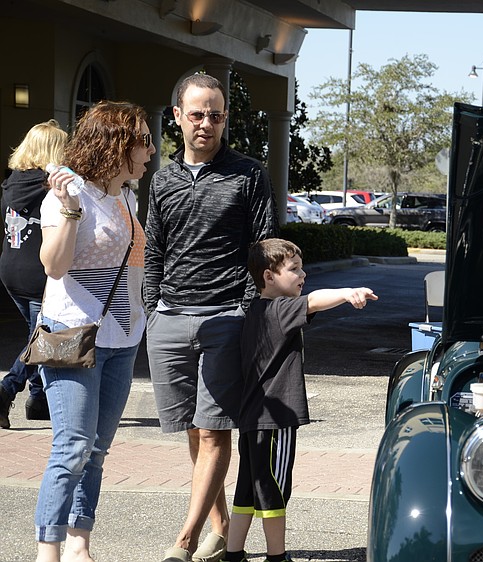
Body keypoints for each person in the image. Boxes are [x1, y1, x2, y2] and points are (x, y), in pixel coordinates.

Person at [145, 73, 279, 562]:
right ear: (177, 115)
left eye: (216, 115)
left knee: (214, 430)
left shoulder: (248, 174)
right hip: (169, 317)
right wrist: (152, 306)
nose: (206, 124)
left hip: (226, 317)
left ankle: (184, 539)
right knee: (192, 430)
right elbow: (154, 246)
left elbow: (262, 246)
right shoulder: (162, 179)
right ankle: (221, 530)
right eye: (197, 114)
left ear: (226, 119)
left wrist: (246, 310)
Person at [35, 101, 152, 562]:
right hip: (74, 334)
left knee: (97, 450)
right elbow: (55, 265)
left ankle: (81, 543)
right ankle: (49, 550)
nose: (151, 149)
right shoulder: (69, 195)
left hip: (123, 338)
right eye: (142, 140)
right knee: (72, 446)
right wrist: (67, 209)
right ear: (115, 145)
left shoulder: (126, 196)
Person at [223, 238, 377, 562]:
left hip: (252, 417)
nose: (303, 274)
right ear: (268, 277)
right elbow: (315, 301)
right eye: (294, 269)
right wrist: (348, 293)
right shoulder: (281, 309)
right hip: (276, 421)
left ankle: (233, 553)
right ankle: (277, 557)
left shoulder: (252, 310)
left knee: (248, 488)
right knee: (274, 489)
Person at [0, 119, 67, 429]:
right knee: (40, 338)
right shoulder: (51, 187)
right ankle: (6, 389)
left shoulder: (11, 182)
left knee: (35, 331)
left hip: (10, 270)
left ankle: (39, 401)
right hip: (38, 274)